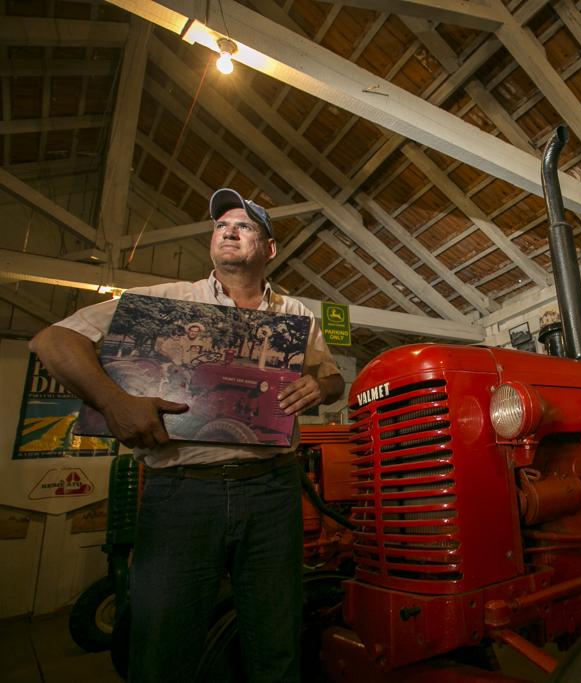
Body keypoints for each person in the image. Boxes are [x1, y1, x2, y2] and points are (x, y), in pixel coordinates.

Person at [29, 188, 345, 682]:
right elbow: (53, 341)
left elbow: (333, 380)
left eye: (244, 226)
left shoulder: (297, 316)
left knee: (277, 642)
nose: (230, 230)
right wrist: (114, 403)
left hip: (273, 489)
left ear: (270, 248)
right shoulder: (165, 302)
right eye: (221, 226)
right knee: (162, 647)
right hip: (182, 493)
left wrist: (318, 386)